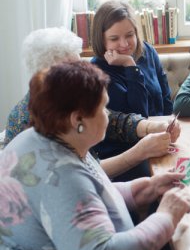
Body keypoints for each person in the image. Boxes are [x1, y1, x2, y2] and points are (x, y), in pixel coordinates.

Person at [0, 61, 190, 250]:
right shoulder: (59, 176)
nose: (107, 116)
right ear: (78, 120)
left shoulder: (46, 138)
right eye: (102, 108)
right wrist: (167, 216)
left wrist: (141, 189)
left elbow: (86, 197)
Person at [4, 27, 179, 179]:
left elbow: (112, 121)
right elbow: (83, 174)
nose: (82, 71)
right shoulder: (32, 120)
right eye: (74, 68)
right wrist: (140, 152)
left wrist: (150, 127)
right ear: (51, 75)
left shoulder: (65, 96)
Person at [91, 1, 174, 180]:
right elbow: (139, 115)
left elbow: (166, 98)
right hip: (125, 154)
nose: (124, 44)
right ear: (101, 39)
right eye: (114, 39)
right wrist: (130, 65)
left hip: (160, 138)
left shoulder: (148, 52)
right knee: (167, 180)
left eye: (130, 35)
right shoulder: (95, 72)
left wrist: (171, 127)